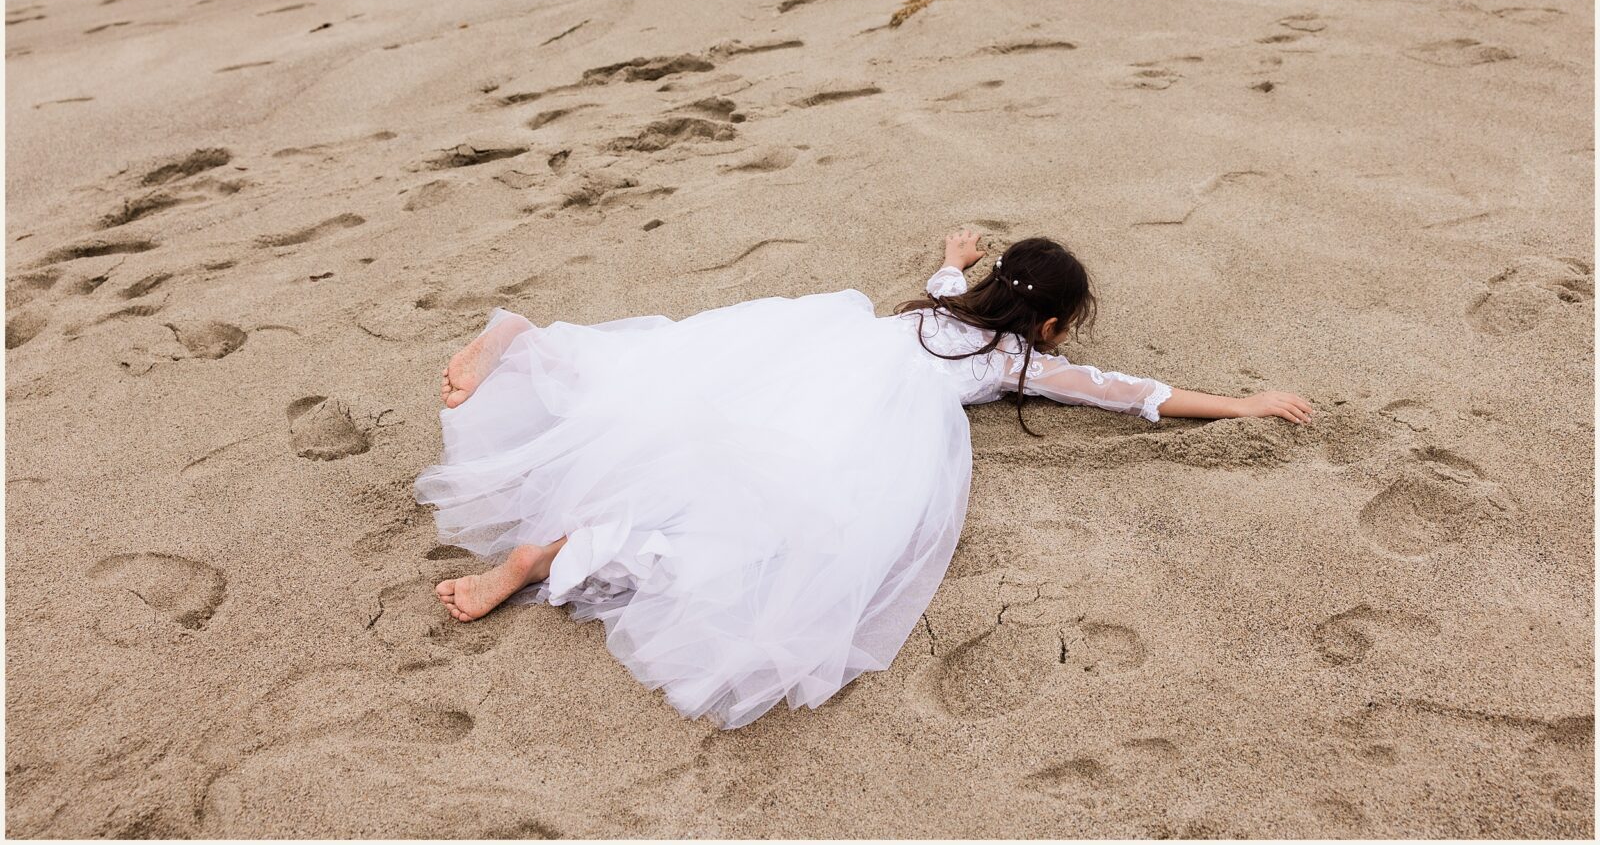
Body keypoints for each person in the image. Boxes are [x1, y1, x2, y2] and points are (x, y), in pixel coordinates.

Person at [414, 228, 1312, 729]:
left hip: (808, 365)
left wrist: (957, 253)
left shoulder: (932, 304)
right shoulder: (1013, 362)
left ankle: (533, 348)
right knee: (747, 529)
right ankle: (548, 556)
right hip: (852, 432)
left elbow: (948, 272)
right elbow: (1128, 395)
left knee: (664, 414)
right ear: (1046, 328)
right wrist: (1242, 403)